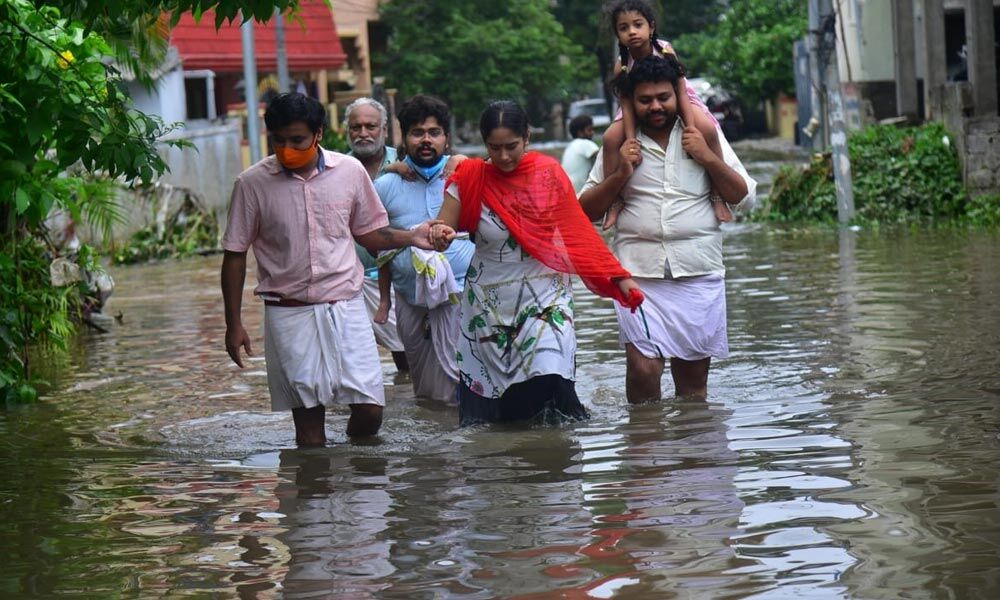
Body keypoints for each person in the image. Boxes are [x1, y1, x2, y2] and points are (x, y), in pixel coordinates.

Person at [221, 92, 438, 447]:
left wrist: (412, 237)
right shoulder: (251, 183)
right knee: (308, 426)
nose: (287, 148)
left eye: (297, 140)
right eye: (279, 140)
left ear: (318, 133)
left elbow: (368, 232)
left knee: (370, 410)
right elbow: (234, 255)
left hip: (346, 305)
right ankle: (317, 493)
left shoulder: (349, 172)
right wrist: (234, 323)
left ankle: (359, 484)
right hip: (289, 312)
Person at [429, 100, 644, 426]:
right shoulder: (470, 177)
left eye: (511, 146)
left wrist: (618, 277)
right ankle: (516, 460)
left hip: (545, 294)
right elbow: (442, 225)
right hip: (488, 302)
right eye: (494, 147)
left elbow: (577, 230)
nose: (503, 157)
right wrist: (440, 234)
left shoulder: (547, 175)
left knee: (547, 367)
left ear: (527, 138)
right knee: (498, 400)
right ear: (484, 144)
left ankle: (551, 460)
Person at [579, 57, 757, 403]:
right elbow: (585, 210)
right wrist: (620, 174)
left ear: (677, 96)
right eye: (645, 100)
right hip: (638, 273)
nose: (656, 106)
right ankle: (646, 447)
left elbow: (743, 198)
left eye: (664, 97)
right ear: (631, 102)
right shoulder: (619, 141)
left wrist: (707, 157)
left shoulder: (702, 131)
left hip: (699, 270)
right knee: (644, 370)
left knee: (692, 387)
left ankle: (690, 454)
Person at [371, 95, 475, 404]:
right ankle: (437, 447)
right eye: (417, 133)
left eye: (434, 132)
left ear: (447, 138)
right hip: (410, 301)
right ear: (403, 137)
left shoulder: (466, 176)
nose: (426, 140)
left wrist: (465, 164)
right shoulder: (386, 185)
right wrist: (385, 302)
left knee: (465, 384)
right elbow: (378, 245)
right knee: (425, 389)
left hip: (464, 296)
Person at [599, 0, 732, 230]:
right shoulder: (621, 64)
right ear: (617, 34)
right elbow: (627, 104)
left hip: (678, 99)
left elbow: (680, 89)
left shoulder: (664, 50)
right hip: (638, 105)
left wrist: (691, 127)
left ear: (650, 27)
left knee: (707, 129)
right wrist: (630, 139)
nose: (632, 32)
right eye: (624, 28)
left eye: (637, 25)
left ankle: (717, 194)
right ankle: (615, 199)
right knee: (611, 138)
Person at [344, 97, 409, 373]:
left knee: (407, 357)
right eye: (355, 127)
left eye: (370, 126)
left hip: (399, 277)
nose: (363, 133)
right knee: (351, 361)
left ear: (384, 129)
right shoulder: (336, 168)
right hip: (351, 282)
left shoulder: (407, 164)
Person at [560, 114, 601, 192]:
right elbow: (604, 157)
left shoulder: (570, 146)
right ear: (580, 132)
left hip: (568, 192)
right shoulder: (585, 143)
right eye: (589, 130)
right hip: (580, 193)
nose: (592, 133)